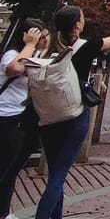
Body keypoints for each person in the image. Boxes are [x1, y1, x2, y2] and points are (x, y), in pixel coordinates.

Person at [31, 0, 110, 219]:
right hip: (74, 113)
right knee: (58, 177)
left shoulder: (45, 48)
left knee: (55, 171)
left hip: (48, 116)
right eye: (81, 18)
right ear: (77, 26)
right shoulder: (85, 46)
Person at [0, 19, 48, 219]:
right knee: (5, 168)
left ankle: (4, 211)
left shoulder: (36, 54)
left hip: (22, 117)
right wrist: (29, 45)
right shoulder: (12, 54)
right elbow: (15, 69)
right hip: (5, 117)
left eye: (46, 36)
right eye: (40, 37)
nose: (44, 41)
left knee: (12, 169)